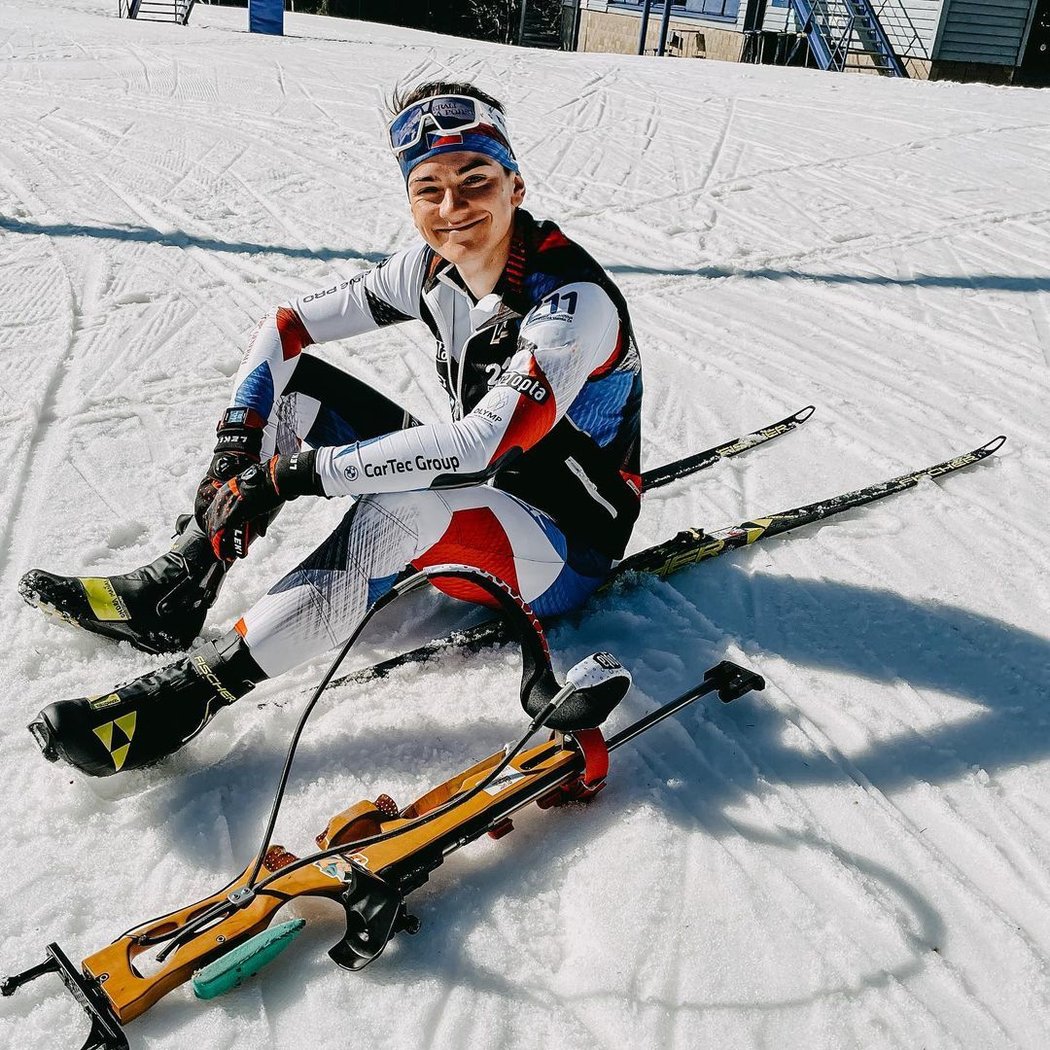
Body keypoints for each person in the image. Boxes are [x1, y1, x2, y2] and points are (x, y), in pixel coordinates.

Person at [20, 81, 643, 778]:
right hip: (481, 490)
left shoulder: (570, 302)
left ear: (515, 186)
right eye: (428, 188)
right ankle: (177, 589)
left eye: (476, 180)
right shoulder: (430, 269)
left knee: (403, 503)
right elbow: (286, 327)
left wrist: (291, 474)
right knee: (296, 384)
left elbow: (481, 444)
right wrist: (235, 449)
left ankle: (194, 693)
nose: (452, 208)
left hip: (560, 550)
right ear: (409, 199)